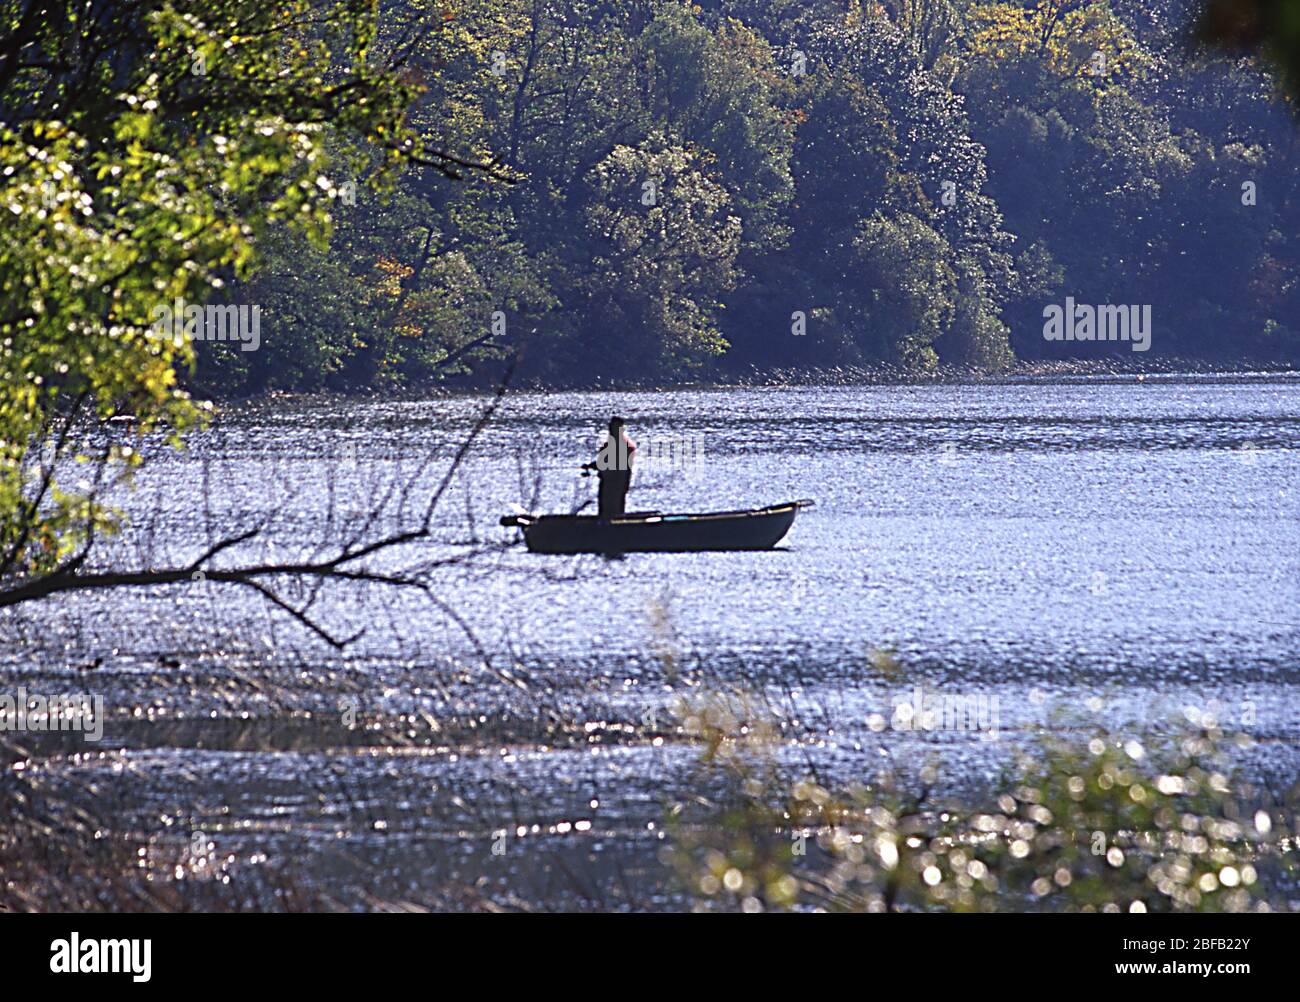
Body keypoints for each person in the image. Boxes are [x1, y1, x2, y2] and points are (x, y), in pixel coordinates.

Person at [583, 415, 636, 519]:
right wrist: (591, 466)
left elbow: (615, 465)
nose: (611, 430)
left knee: (614, 507)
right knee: (605, 507)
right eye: (611, 427)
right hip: (607, 482)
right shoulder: (611, 445)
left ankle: (614, 526)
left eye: (614, 428)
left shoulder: (623, 446)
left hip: (616, 483)